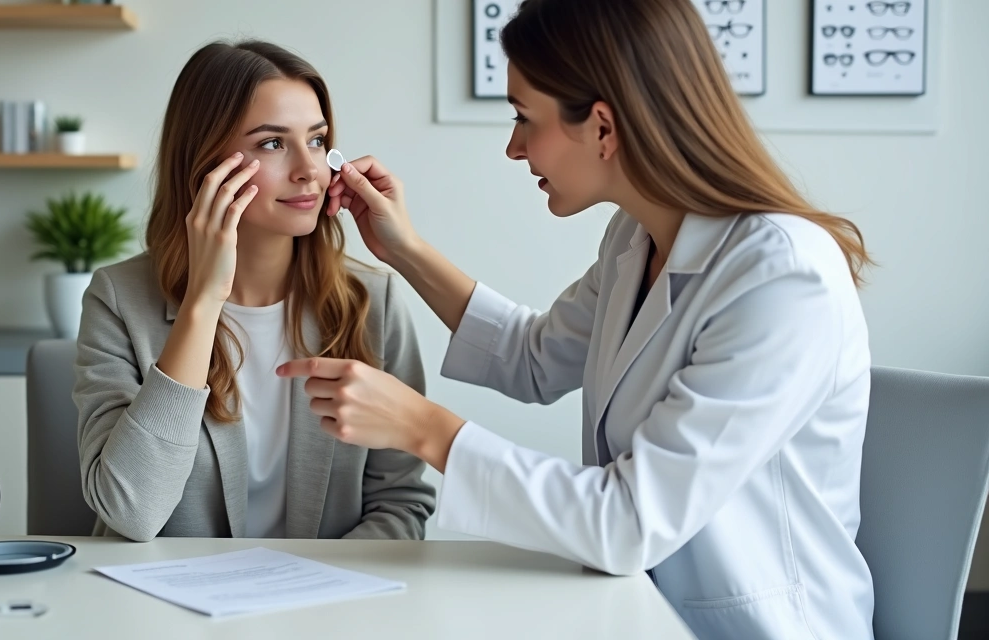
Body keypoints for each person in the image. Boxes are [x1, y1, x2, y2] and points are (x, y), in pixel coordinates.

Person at [277, 1, 874, 637]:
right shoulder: (635, 239)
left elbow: (629, 522)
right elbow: (532, 359)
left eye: (523, 119)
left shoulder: (781, 276)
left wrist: (426, 429)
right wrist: (403, 247)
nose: (513, 147)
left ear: (603, 128)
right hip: (637, 609)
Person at [73, 40, 435, 543]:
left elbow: (400, 504)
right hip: (170, 611)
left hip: (327, 608)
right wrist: (202, 303)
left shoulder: (374, 303)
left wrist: (321, 594)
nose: (309, 169)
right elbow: (131, 513)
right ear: (204, 163)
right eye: (272, 143)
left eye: (316, 140)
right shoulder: (118, 300)